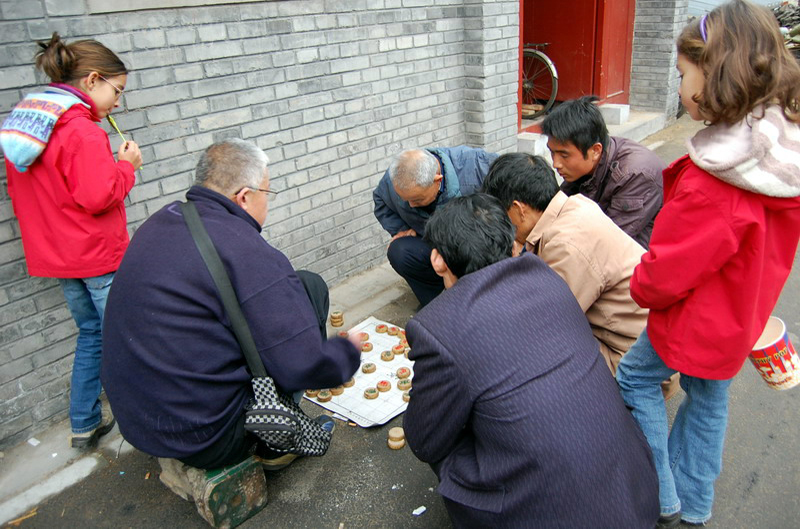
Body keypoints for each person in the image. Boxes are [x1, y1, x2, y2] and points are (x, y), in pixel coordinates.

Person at [615, 2, 800, 526]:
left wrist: (642, 281)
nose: (677, 88)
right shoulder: (778, 153)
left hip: (697, 317)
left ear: (714, 73)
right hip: (740, 313)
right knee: (707, 399)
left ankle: (665, 498)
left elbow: (664, 276)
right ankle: (696, 506)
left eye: (682, 74)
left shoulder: (718, 179)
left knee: (634, 380)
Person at [403, 193, 659, 528]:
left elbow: (424, 440)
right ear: (512, 245)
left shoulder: (438, 326)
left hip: (548, 516)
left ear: (438, 260)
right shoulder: (547, 276)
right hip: (634, 493)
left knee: (444, 434)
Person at [101, 139, 360, 470]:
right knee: (310, 290)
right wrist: (345, 354)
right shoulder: (247, 253)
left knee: (302, 285)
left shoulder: (161, 221)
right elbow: (302, 365)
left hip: (139, 421)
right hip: (209, 437)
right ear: (245, 197)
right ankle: (272, 442)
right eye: (267, 193)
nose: (267, 201)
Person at [0, 33, 142, 448]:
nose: (117, 102)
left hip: (59, 259)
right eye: (116, 91)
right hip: (97, 257)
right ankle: (146, 423)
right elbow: (98, 197)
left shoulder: (30, 126)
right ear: (92, 80)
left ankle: (83, 423)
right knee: (128, 338)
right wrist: (126, 166)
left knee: (92, 335)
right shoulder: (80, 131)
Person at [482, 153, 649, 375]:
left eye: (503, 217)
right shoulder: (573, 205)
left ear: (518, 209)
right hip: (636, 340)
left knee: (529, 355)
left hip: (630, 359)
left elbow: (542, 324)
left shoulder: (566, 245)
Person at [373, 146, 497, 307]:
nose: (410, 205)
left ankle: (478, 303)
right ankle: (436, 304)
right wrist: (401, 229)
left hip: (475, 246)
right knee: (400, 250)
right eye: (405, 200)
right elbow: (380, 200)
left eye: (417, 200)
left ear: (437, 180)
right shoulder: (395, 178)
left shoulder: (480, 168)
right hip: (432, 243)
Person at [541, 95, 664, 248]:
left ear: (595, 150)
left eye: (564, 155)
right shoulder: (584, 164)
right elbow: (557, 209)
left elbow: (609, 241)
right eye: (552, 152)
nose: (556, 163)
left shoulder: (634, 174)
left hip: (639, 259)